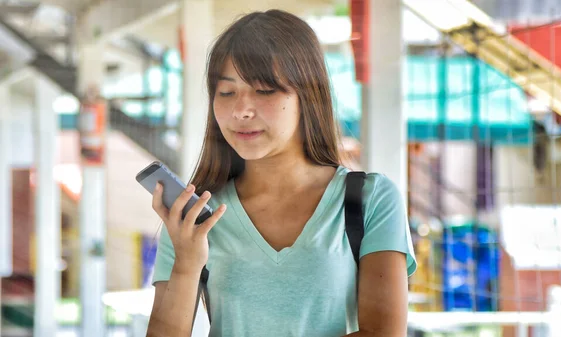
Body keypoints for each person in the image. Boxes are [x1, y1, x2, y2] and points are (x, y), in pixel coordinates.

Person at [146, 9, 416, 337]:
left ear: (308, 96)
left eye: (264, 90)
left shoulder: (369, 199)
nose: (241, 110)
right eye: (226, 92)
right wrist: (187, 264)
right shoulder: (194, 218)